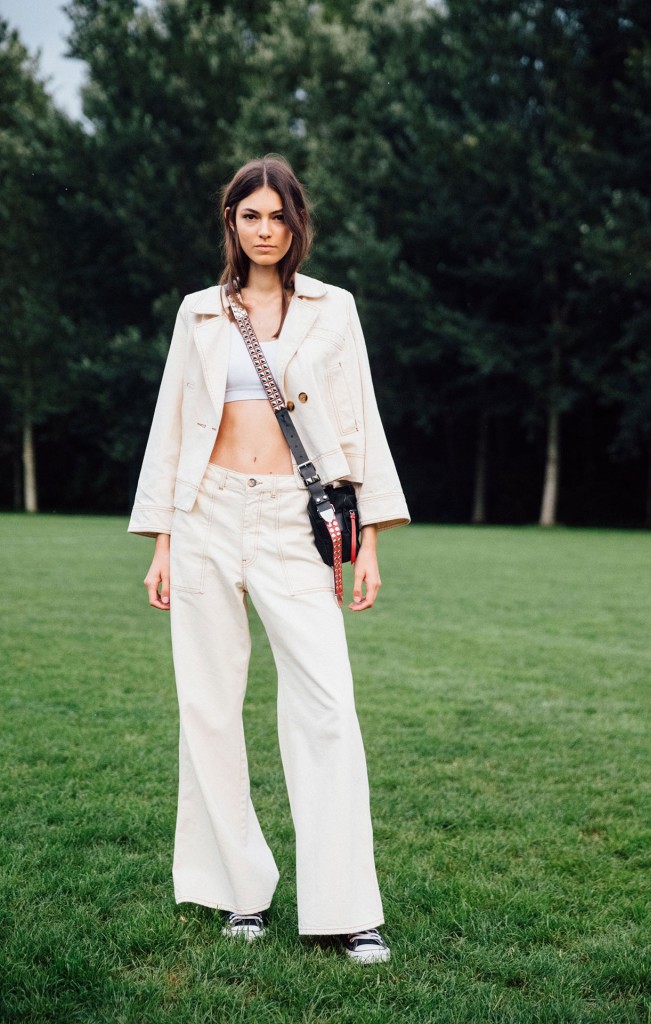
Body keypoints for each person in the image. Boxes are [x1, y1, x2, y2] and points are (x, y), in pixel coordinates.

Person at [128, 154, 410, 964]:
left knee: (326, 705)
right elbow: (172, 422)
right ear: (231, 223)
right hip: (206, 513)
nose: (264, 230)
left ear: (296, 224)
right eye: (249, 216)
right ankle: (237, 893)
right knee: (209, 707)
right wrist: (162, 541)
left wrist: (370, 539)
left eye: (278, 216)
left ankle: (346, 909)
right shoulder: (198, 312)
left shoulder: (333, 308)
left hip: (296, 519)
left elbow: (360, 418)